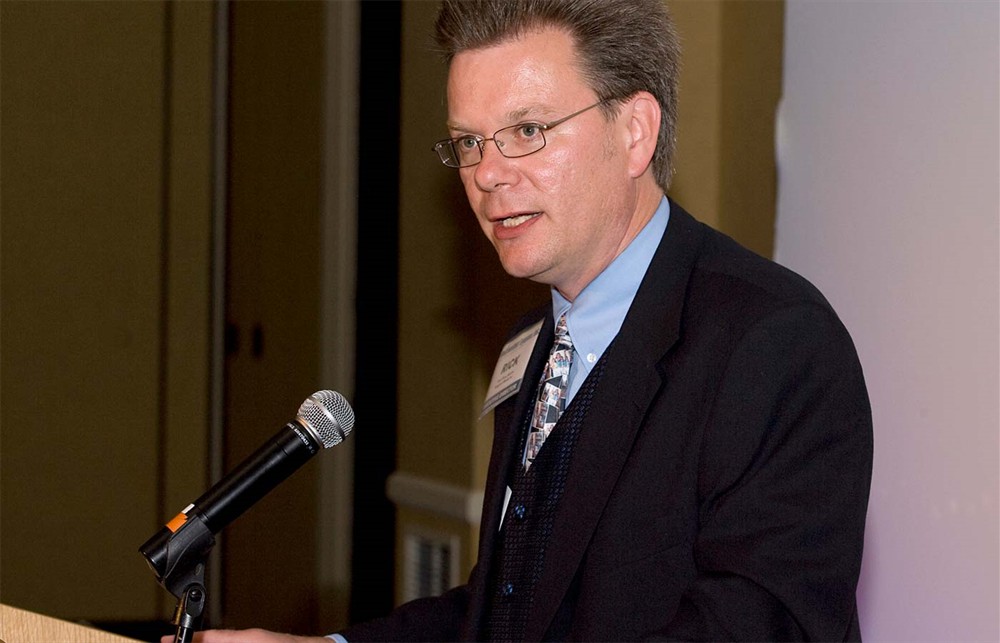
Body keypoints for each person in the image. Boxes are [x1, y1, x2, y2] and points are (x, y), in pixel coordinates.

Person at [180, 0, 873, 640]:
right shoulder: (534, 341)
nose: (486, 174)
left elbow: (755, 626)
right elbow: (505, 613)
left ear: (635, 131)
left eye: (527, 130)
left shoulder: (774, 343)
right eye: (469, 142)